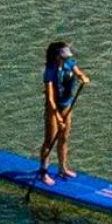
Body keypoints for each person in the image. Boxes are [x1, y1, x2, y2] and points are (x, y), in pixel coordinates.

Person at [38, 41, 90, 185]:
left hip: (66, 105)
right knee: (50, 140)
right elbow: (49, 98)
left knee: (64, 138)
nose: (66, 58)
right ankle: (43, 172)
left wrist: (83, 78)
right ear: (56, 57)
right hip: (53, 108)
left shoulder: (69, 63)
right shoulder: (50, 71)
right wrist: (58, 117)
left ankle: (63, 168)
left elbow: (78, 72)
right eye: (63, 56)